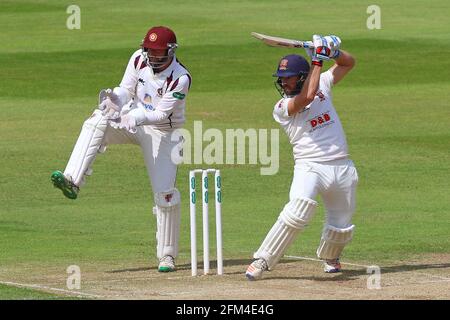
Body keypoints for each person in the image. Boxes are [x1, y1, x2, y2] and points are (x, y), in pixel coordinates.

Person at [51, 26, 191, 273]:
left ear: (170, 51)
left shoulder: (180, 78)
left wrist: (134, 116)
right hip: (133, 120)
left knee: (165, 195)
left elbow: (160, 113)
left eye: (159, 52)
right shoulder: (138, 58)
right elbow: (126, 89)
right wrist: (114, 100)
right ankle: (73, 179)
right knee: (96, 120)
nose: (154, 57)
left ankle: (167, 256)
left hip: (164, 133)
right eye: (151, 51)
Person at [246, 35, 358, 280]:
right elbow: (307, 97)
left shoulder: (323, 84)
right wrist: (317, 60)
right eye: (281, 79)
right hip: (310, 167)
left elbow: (349, 63)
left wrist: (332, 53)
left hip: (341, 164)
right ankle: (263, 260)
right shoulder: (281, 107)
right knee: (297, 211)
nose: (284, 83)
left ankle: (331, 257)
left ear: (302, 76)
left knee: (341, 225)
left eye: (288, 78)